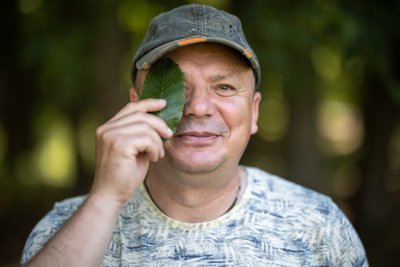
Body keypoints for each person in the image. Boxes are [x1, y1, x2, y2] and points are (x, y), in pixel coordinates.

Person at [21, 4, 368, 266]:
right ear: (135, 106)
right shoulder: (63, 230)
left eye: (225, 86)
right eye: (176, 87)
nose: (199, 107)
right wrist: (104, 200)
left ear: (255, 112)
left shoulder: (319, 226)